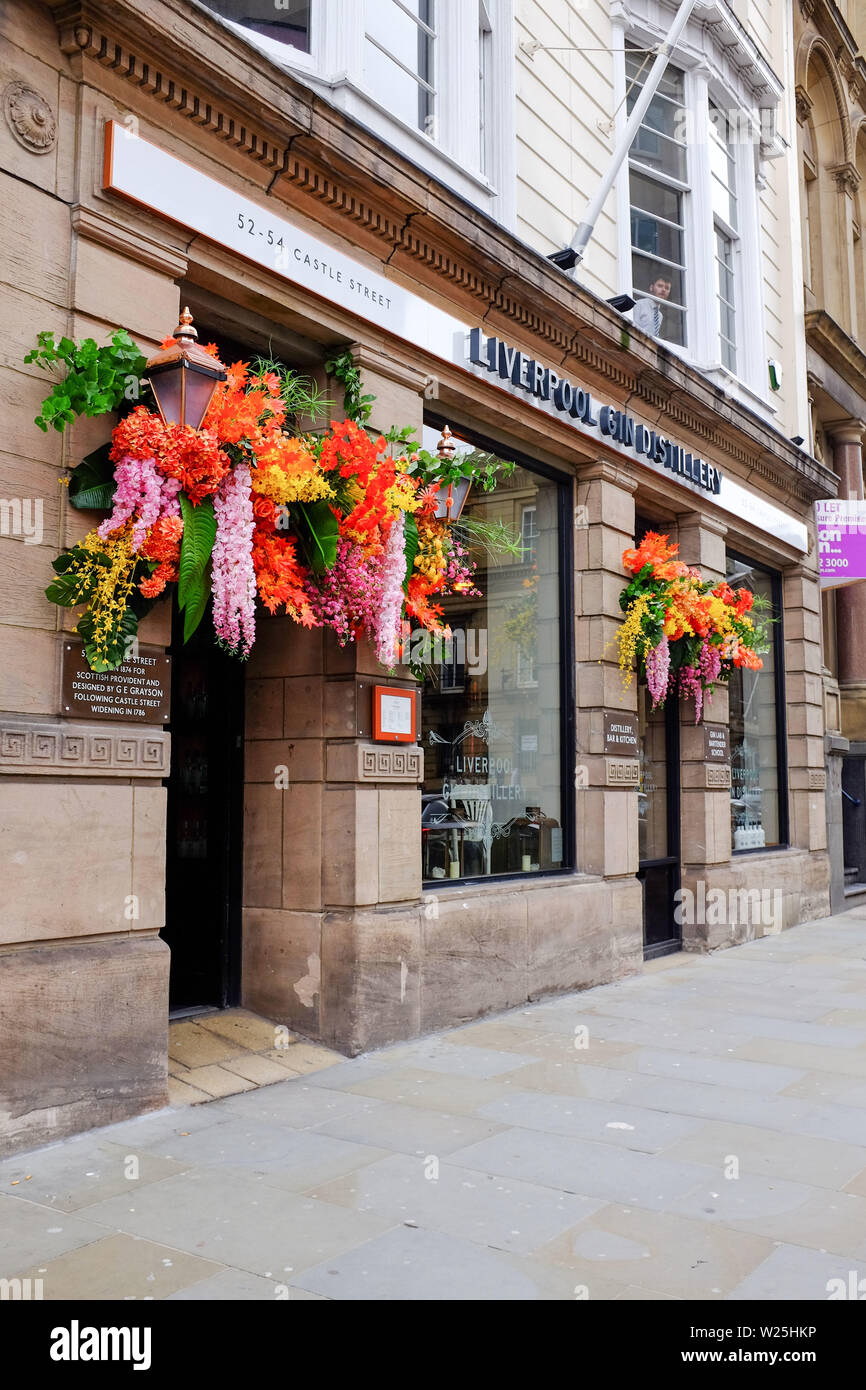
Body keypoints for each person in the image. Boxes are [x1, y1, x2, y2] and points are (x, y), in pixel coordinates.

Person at [632, 269, 672, 338]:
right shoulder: (639, 304)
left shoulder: (660, 316)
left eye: (667, 288)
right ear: (651, 288)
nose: (663, 290)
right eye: (660, 286)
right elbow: (632, 329)